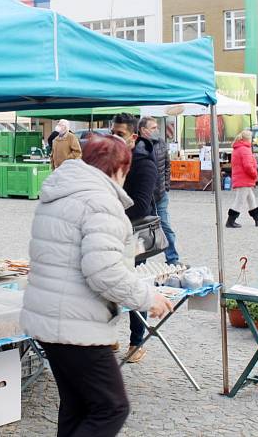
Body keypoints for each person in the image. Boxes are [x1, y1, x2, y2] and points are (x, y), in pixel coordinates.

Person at [22, 134, 172, 437]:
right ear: (119, 169)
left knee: (77, 405)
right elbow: (102, 271)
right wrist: (147, 297)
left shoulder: (61, 192)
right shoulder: (100, 201)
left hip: (50, 319)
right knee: (111, 407)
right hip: (77, 324)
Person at [111, 112, 157, 363]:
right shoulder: (112, 159)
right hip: (111, 235)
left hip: (135, 237)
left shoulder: (143, 163)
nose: (115, 138)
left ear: (133, 137)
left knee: (133, 286)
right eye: (113, 133)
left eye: (120, 134)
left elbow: (141, 206)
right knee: (107, 287)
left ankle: (137, 341)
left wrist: (109, 212)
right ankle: (109, 336)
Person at [138, 116, 179, 265]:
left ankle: (172, 259)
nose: (157, 130)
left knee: (165, 226)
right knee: (142, 229)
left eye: (157, 127)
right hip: (144, 197)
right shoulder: (137, 146)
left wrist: (166, 185)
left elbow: (167, 165)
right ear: (144, 130)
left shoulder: (161, 143)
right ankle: (140, 263)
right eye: (153, 128)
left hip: (160, 194)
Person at [227, 130, 258, 228]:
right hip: (244, 178)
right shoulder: (245, 149)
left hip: (241, 177)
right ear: (248, 139)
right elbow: (248, 166)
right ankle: (230, 221)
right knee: (240, 200)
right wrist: (254, 175)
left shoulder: (237, 148)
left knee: (251, 198)